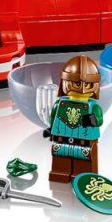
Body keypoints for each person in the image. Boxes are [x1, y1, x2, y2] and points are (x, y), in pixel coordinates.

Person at [46, 55, 104, 183]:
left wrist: (92, 120)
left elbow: (99, 120)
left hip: (85, 141)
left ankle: (83, 178)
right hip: (61, 139)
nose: (82, 89)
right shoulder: (59, 104)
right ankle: (60, 174)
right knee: (60, 159)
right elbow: (53, 118)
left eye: (87, 84)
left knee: (84, 161)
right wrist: (50, 130)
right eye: (77, 84)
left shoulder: (93, 107)